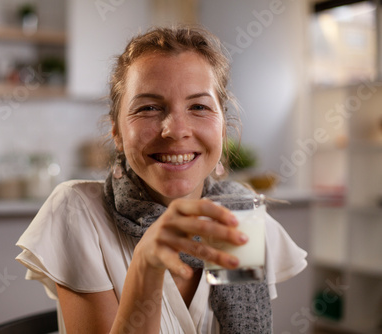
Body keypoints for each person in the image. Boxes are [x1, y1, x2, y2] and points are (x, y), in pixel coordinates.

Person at [16, 25, 307, 333]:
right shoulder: (78, 211)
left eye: (198, 106)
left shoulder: (239, 215)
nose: (175, 129)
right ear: (116, 131)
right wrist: (145, 266)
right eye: (149, 108)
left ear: (223, 127)